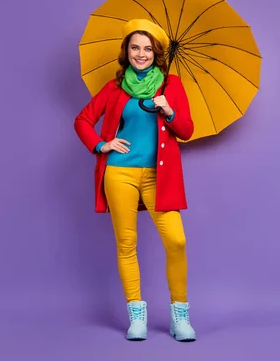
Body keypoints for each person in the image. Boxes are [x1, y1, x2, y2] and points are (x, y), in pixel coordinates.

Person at [74, 19, 196, 342]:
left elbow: (186, 130)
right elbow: (83, 120)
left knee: (176, 241)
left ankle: (179, 315)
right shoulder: (115, 88)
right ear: (126, 51)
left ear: (156, 53)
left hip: (159, 175)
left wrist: (168, 110)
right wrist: (103, 145)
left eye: (147, 48)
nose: (140, 54)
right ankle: (136, 313)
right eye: (134, 47)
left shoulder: (171, 86)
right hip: (119, 173)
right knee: (127, 244)